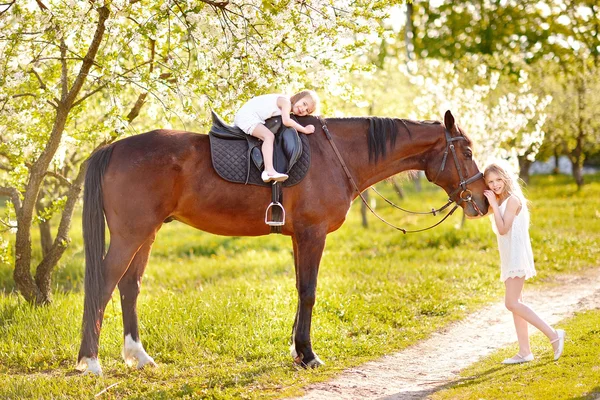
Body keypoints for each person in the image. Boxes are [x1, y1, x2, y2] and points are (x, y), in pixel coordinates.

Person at [483, 163, 565, 364]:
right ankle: (525, 351)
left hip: (516, 256)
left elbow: (503, 229)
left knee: (511, 303)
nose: (495, 185)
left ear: (506, 178)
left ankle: (554, 334)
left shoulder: (512, 201)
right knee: (516, 304)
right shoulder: (501, 201)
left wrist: (493, 204)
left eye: (498, 180)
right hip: (509, 256)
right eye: (490, 182)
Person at [233, 90, 319, 183]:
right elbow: (286, 121)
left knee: (268, 135)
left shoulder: (286, 104)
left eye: (307, 110)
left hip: (249, 116)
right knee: (268, 137)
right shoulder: (285, 102)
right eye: (304, 103)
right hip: (247, 117)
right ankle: (268, 170)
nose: (303, 109)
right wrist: (305, 129)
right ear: (298, 97)